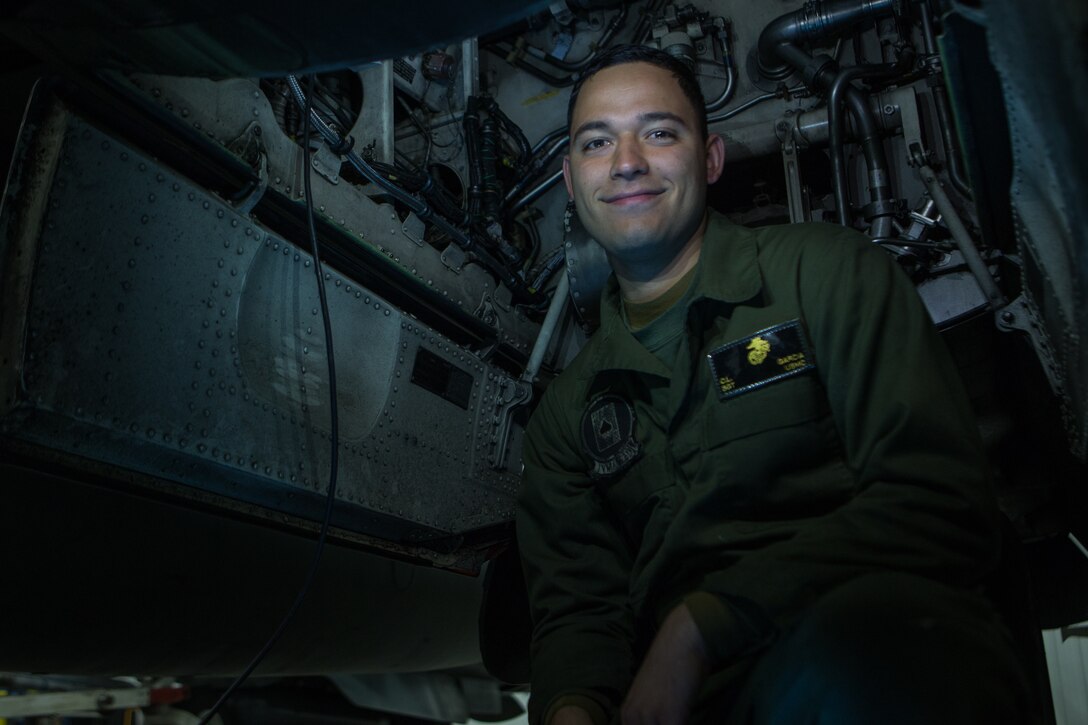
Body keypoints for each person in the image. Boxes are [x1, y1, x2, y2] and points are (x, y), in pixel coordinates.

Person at [516, 45, 1031, 725]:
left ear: (711, 159)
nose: (627, 160)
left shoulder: (825, 277)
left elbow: (939, 501)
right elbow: (580, 609)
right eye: (596, 142)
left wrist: (700, 627)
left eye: (660, 132)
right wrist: (574, 709)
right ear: (571, 179)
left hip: (868, 652)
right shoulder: (566, 413)